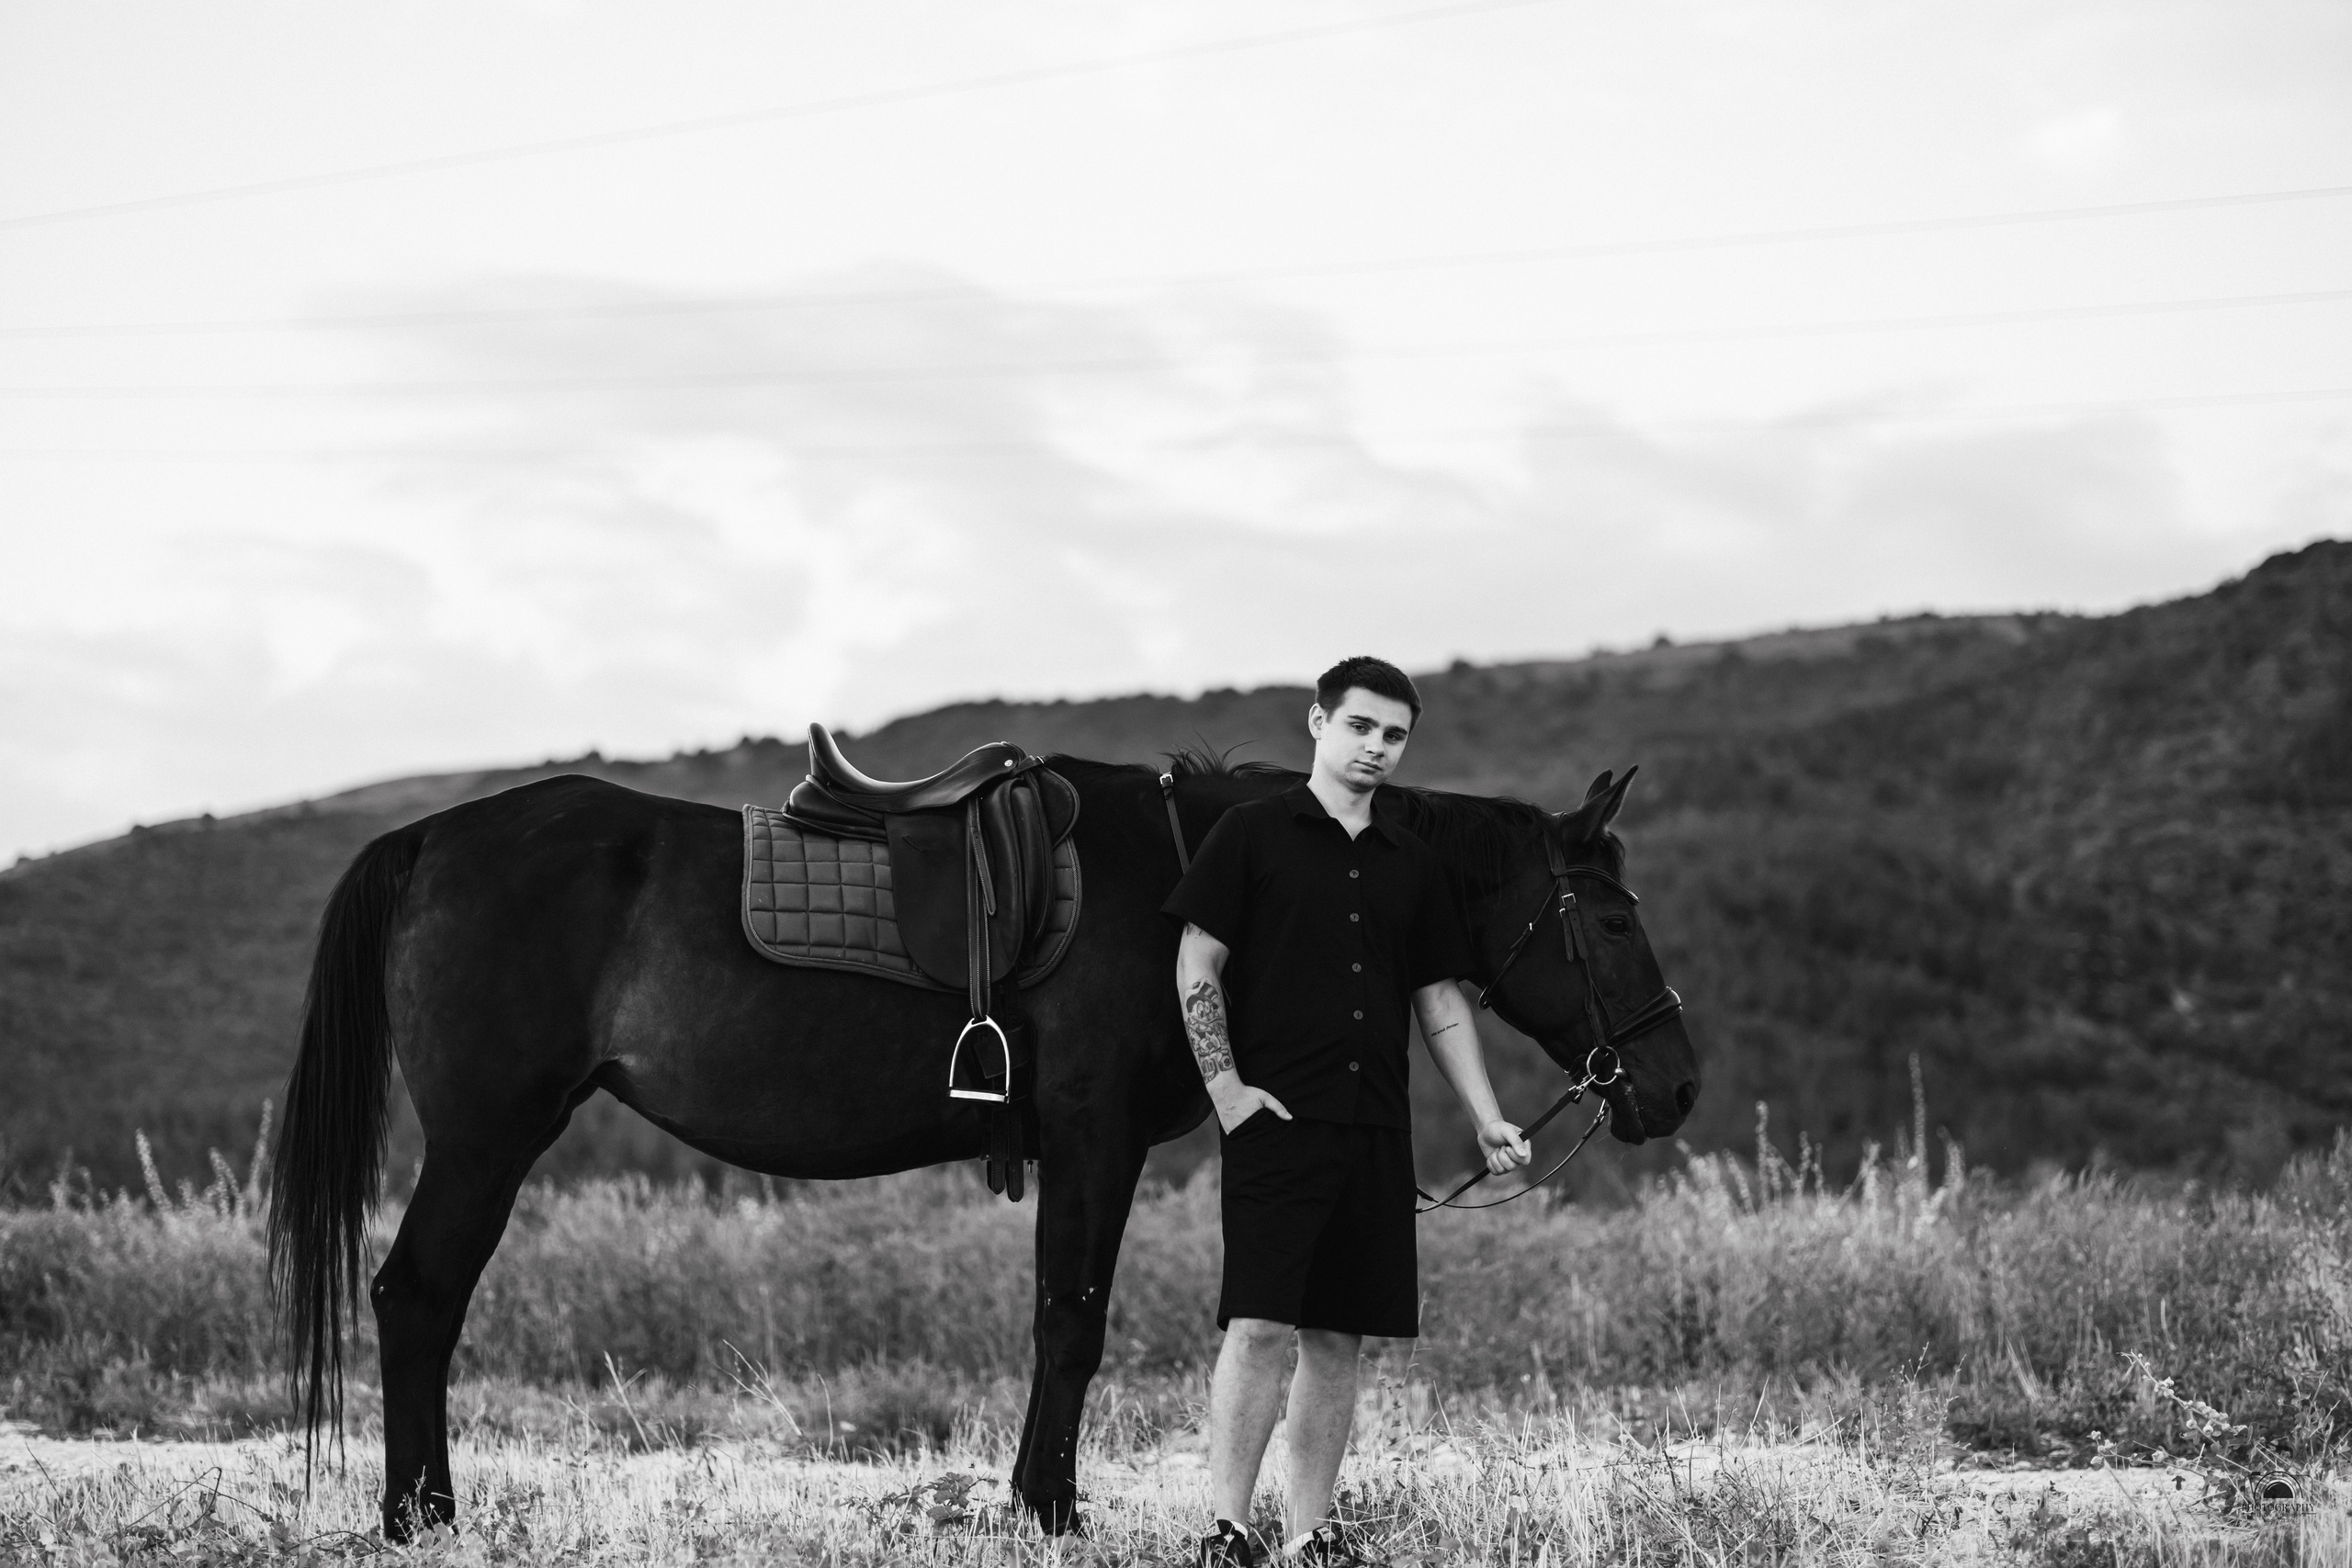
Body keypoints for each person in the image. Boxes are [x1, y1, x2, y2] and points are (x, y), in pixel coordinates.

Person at [1163, 655, 1532, 1568]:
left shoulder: (1413, 860)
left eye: (1393, 735)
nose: (1375, 747)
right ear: (1318, 724)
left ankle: (1307, 1534)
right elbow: (1196, 962)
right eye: (1360, 726)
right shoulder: (1252, 835)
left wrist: (1487, 1116)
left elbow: (1439, 1000)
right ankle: (1225, 1527)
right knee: (1258, 1325)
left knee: (1339, 1337)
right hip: (1274, 1123)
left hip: (1375, 1129)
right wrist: (1226, 1092)